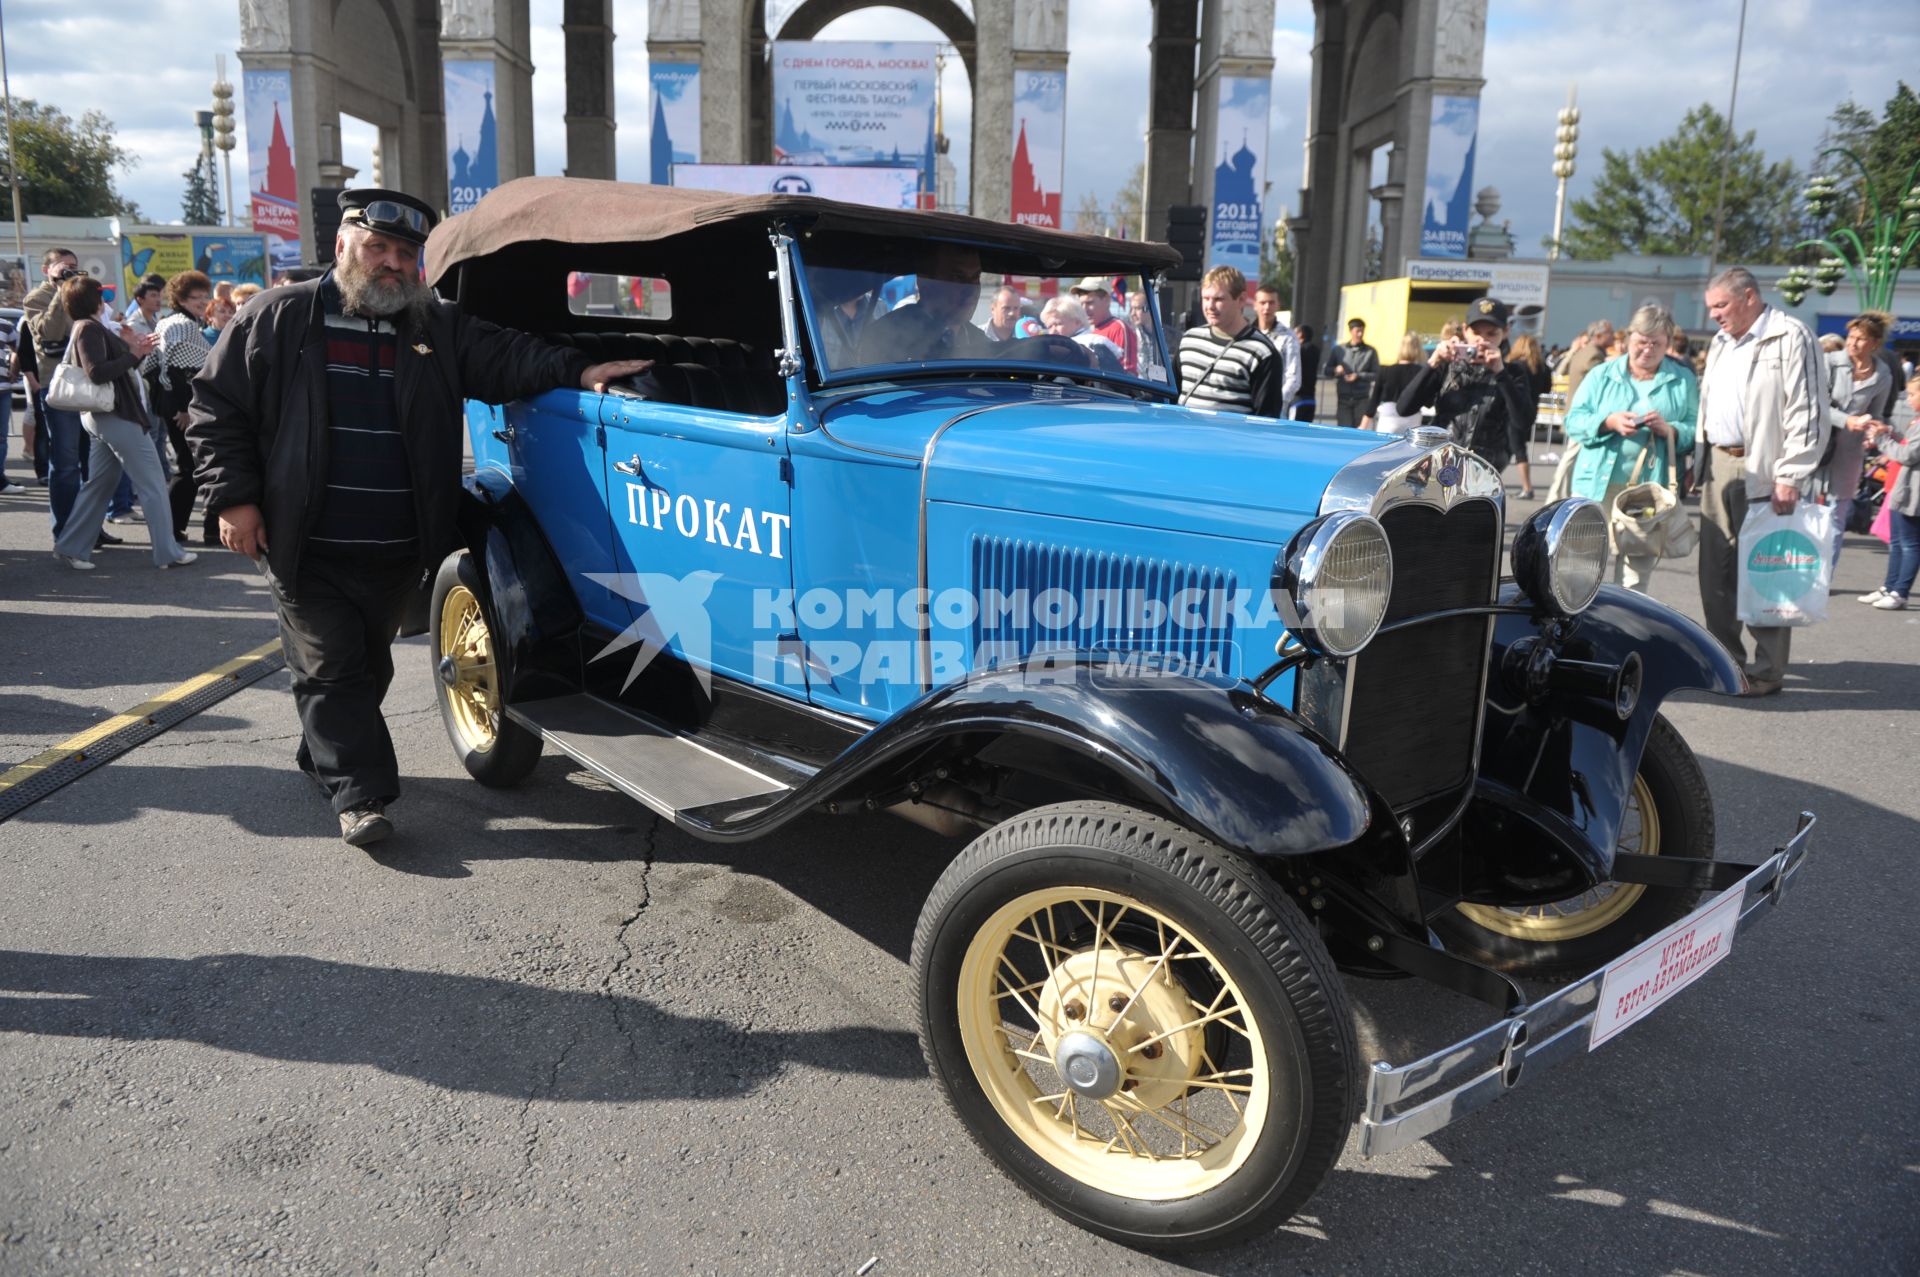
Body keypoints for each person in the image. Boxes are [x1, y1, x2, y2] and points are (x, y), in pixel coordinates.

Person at [188, 188, 652, 847]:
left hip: (399, 549)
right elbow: (214, 408)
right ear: (343, 246)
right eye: (378, 248)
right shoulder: (279, 316)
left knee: (367, 667)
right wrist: (234, 498)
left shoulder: (436, 326)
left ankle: (322, 749)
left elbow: (511, 358)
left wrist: (583, 371)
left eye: (406, 254)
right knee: (332, 667)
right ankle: (361, 797)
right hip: (306, 543)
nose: (392, 264)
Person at [1694, 266, 1827, 698]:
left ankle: (1767, 671)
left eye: (1720, 305)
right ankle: (1726, 662)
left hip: (1766, 467)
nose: (1713, 315)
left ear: (1749, 296)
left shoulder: (1791, 335)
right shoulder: (1720, 342)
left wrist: (1791, 473)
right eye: (1710, 306)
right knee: (1714, 572)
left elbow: (1807, 411)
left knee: (1764, 571)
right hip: (1718, 463)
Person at [47, 274, 197, 571]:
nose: (106, 302)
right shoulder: (89, 328)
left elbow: (111, 370)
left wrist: (136, 352)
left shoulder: (88, 327)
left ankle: (71, 547)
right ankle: (168, 553)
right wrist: (133, 354)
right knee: (153, 483)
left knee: (100, 485)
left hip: (105, 417)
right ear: (94, 300)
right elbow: (98, 373)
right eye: (102, 296)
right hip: (116, 416)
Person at [1563, 304, 1698, 593]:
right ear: (1628, 339)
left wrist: (1670, 430)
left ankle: (1622, 630)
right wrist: (1608, 421)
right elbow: (1573, 421)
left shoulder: (1682, 379)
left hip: (1648, 489)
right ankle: (1578, 628)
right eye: (1641, 342)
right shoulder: (1601, 374)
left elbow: (1694, 430)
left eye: (1656, 343)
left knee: (1635, 575)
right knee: (1582, 566)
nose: (1647, 350)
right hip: (1597, 484)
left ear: (1668, 343)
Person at [1396, 297, 1537, 476]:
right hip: (1439, 463)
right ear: (1465, 330)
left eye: (1491, 334)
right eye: (1476, 332)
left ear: (1506, 332)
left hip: (1482, 470)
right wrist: (1433, 363)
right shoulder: (1448, 365)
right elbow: (1404, 408)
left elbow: (1523, 421)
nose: (1481, 340)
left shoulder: (1513, 372)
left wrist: (1500, 373)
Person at [21, 248, 103, 543]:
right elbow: (50, 332)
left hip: (87, 386)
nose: (70, 271)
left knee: (90, 462)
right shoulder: (35, 299)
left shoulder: (78, 293)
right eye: (63, 266)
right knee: (66, 463)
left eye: (74, 267)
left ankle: (92, 527)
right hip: (59, 389)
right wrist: (60, 290)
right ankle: (66, 531)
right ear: (47, 269)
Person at [1820, 313, 1896, 566]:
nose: (1852, 343)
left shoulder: (1882, 375)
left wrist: (1877, 429)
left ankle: (1823, 579)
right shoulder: (1829, 362)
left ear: (1874, 343)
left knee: (1836, 518)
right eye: (1851, 336)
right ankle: (1795, 576)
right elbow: (1813, 404)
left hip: (1849, 452)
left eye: (1861, 339)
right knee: (1805, 512)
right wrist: (1847, 420)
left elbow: (1877, 413)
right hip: (1817, 446)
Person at [152, 271, 219, 544]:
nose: (202, 302)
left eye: (205, 296)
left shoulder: (173, 322)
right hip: (181, 408)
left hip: (175, 405)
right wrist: (184, 410)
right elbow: (177, 372)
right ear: (180, 298)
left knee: (189, 467)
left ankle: (173, 528)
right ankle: (171, 529)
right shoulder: (183, 325)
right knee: (191, 468)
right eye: (196, 298)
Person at [1176, 266, 1290, 417]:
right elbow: (1172, 395)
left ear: (1241, 299)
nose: (1209, 306)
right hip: (1184, 437)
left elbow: (1266, 419)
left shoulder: (1263, 353)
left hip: (1231, 440)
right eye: (1206, 298)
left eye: (1219, 299)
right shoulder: (1189, 340)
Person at [859, 245, 989, 365]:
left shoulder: (981, 342)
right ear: (925, 282)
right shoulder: (883, 337)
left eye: (975, 277)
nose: (971, 290)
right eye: (958, 278)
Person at [1858, 377, 1920, 610]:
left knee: (1910, 544)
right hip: (1901, 488)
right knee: (1896, 542)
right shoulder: (1916, 420)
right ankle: (1890, 586)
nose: (1909, 399)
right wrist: (1890, 433)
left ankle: (1900, 592)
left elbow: (1908, 455)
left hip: (1913, 493)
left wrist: (1882, 439)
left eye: (1913, 395)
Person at [1069, 276, 1139, 373]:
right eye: (1081, 304)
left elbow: (1128, 373)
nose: (1084, 309)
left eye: (1090, 303)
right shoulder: (1086, 330)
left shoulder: (1119, 328)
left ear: (1107, 300)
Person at [1363, 333, 1427, 434]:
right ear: (1418, 349)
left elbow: (1374, 401)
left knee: (1386, 448)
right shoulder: (1422, 372)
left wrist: (1363, 425)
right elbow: (1428, 401)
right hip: (1412, 418)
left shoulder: (1385, 370)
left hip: (1388, 418)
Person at [1040, 295, 1124, 367]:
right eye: (1050, 326)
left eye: (1058, 324)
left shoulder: (1095, 343)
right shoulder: (1053, 347)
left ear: (1077, 322)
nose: (1053, 330)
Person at [1326, 317, 1378, 427]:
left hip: (1362, 399)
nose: (1360, 334)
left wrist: (1358, 376)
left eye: (1362, 331)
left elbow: (1376, 374)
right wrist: (1336, 370)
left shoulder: (1371, 351)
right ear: (1351, 331)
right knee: (1344, 432)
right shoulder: (1338, 350)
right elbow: (1327, 370)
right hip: (1343, 399)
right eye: (1357, 331)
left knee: (1359, 433)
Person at [1565, 319, 1614, 403]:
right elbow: (1602, 383)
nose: (1613, 336)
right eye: (1610, 333)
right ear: (1598, 336)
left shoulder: (1584, 351)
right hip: (1582, 409)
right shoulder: (1594, 355)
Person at [1128, 290, 1166, 382]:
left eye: (1137, 309)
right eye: (1131, 309)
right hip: (1138, 387)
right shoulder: (1130, 334)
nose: (1132, 314)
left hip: (1161, 388)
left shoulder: (1168, 336)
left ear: (1148, 309)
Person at [1291, 324, 1320, 420]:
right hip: (1311, 397)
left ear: (1300, 334)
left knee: (1292, 430)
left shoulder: (1298, 350)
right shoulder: (1315, 350)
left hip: (1298, 397)